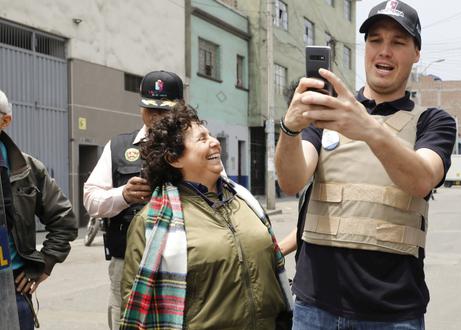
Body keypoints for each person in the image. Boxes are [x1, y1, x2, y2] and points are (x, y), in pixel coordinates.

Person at [275, 1, 456, 328]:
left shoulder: (432, 121)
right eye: (375, 40)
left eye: (398, 42)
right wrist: (289, 129)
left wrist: (368, 128)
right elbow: (291, 181)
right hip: (315, 309)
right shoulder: (326, 116)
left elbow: (422, 179)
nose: (384, 51)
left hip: (392, 313)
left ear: (416, 53)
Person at [120, 104, 292, 329]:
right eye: (202, 139)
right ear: (174, 158)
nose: (215, 142)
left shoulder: (244, 201)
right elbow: (135, 301)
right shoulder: (152, 221)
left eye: (210, 135)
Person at [83, 70, 184, 330]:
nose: (155, 117)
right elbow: (91, 199)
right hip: (126, 262)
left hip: (184, 262)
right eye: (150, 109)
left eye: (164, 111)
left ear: (180, 109)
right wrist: (123, 195)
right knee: (123, 321)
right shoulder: (118, 146)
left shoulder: (196, 145)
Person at [0, 89, 77, 329]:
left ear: (5, 121)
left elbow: (64, 220)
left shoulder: (28, 169)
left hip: (13, 291)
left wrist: (44, 263)